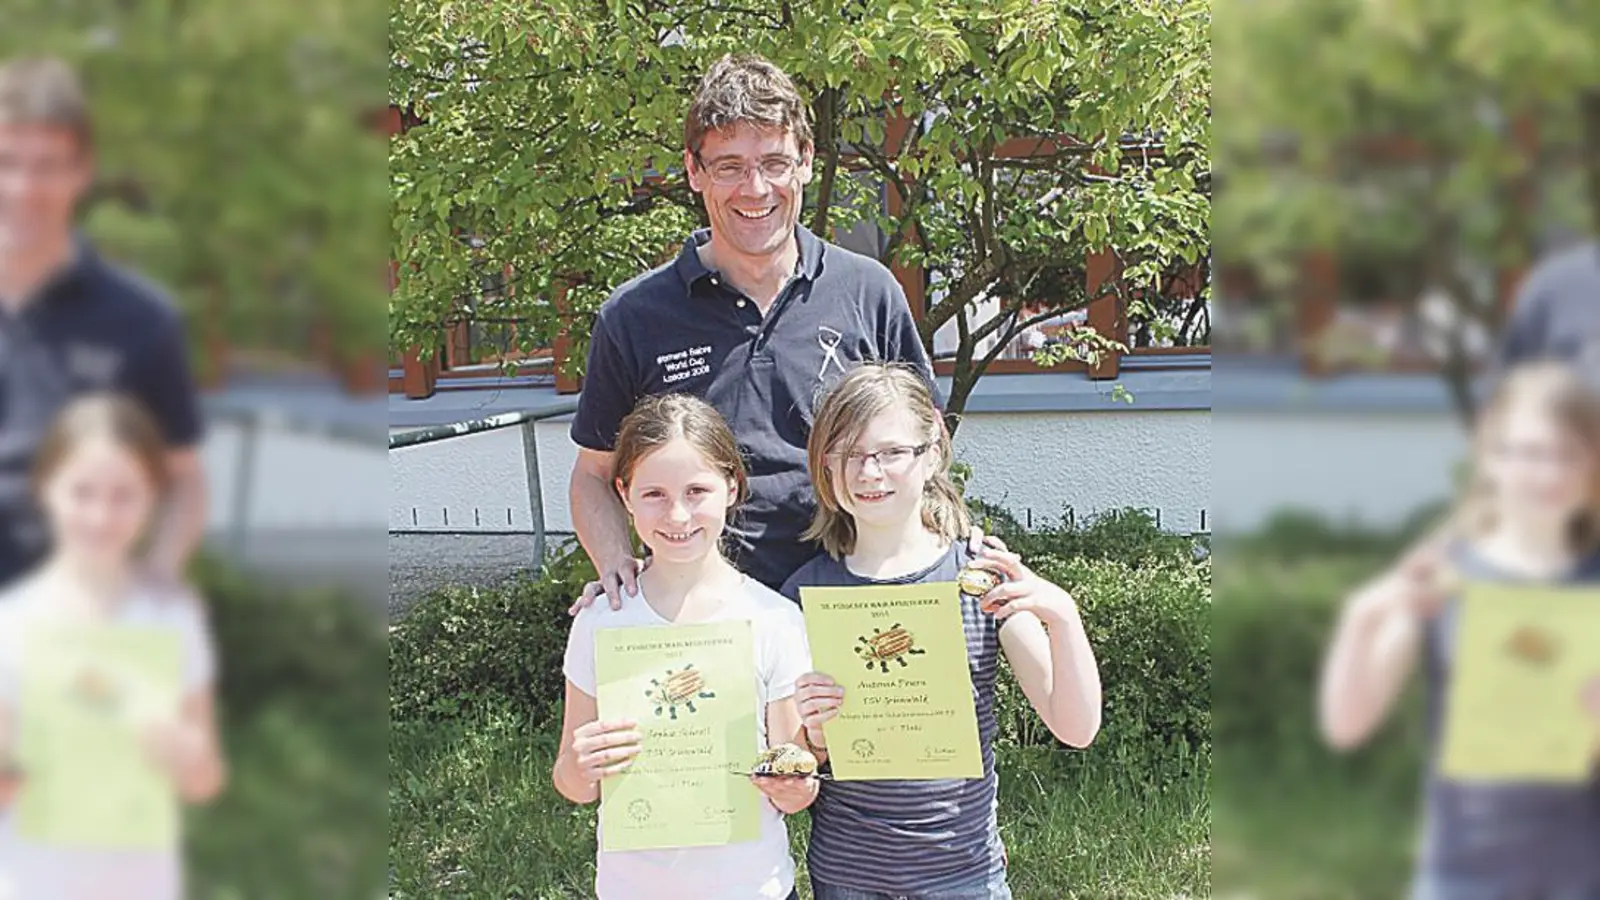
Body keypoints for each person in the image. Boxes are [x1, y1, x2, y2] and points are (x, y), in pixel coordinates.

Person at [567, 52, 960, 602]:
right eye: (729, 166)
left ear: (805, 161)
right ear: (693, 171)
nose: (754, 189)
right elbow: (593, 477)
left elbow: (926, 447)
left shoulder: (869, 292)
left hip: (856, 600)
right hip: (705, 612)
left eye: (774, 162)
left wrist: (954, 552)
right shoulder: (633, 316)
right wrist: (616, 566)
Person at [782, 363, 1103, 900]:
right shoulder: (803, 595)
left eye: (889, 452)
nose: (869, 473)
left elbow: (1075, 727)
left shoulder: (979, 580)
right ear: (825, 465)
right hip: (848, 876)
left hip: (964, 874)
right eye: (848, 454)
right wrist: (814, 737)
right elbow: (794, 766)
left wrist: (1061, 614)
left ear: (931, 451)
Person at [1318, 361, 1600, 900]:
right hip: (1465, 873)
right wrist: (1361, 619)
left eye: (1568, 454)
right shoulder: (1444, 575)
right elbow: (1347, 724)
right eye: (1529, 452)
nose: (1547, 473)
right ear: (1491, 455)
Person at [553, 393, 815, 900]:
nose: (677, 515)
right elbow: (572, 782)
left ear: (732, 487)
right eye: (653, 494)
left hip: (753, 887)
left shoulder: (774, 620)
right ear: (624, 494)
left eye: (697, 490)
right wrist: (581, 767)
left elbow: (795, 780)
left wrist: (794, 784)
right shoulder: (600, 623)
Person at [0, 393, 225, 900]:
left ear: (152, 498)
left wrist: (182, 752)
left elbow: (204, 780)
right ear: (45, 489)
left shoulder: (172, 621)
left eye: (123, 495)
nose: (101, 515)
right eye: (82, 492)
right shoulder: (12, 624)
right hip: (31, 882)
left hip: (139, 883)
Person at [0, 56, 208, 588]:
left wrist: (158, 581)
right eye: (7, 162)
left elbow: (183, 480)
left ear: (81, 171)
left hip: (73, 639)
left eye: (47, 165)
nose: (24, 188)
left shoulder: (140, 320)